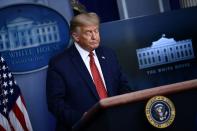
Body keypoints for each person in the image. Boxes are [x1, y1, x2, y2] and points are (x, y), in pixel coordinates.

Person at [46, 12, 132, 131]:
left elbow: (123, 86)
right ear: (76, 37)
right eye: (88, 32)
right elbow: (55, 103)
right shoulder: (59, 64)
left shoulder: (109, 54)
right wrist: (83, 119)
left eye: (96, 31)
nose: (94, 37)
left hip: (115, 124)